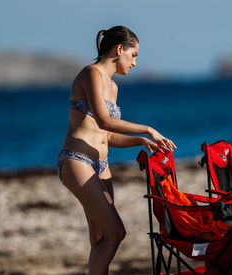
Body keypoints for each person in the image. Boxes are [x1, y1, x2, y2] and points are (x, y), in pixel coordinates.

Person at [57, 25, 176, 275]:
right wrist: (147, 130)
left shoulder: (113, 87)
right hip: (77, 160)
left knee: (100, 239)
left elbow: (107, 135)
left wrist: (140, 142)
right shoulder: (91, 74)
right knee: (116, 232)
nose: (134, 63)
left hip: (102, 166)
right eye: (134, 55)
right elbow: (103, 120)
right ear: (119, 49)